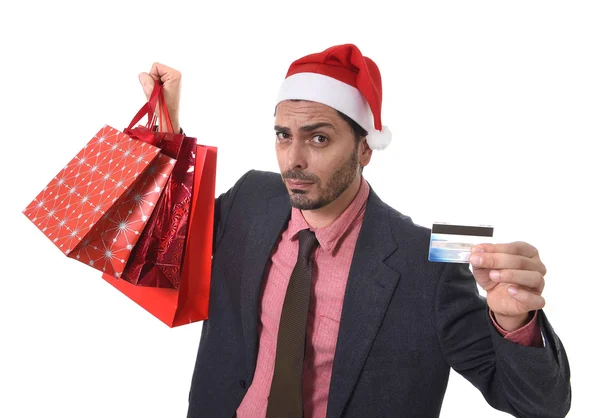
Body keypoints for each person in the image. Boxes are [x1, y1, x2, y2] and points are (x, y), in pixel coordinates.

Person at [138, 44, 571, 418]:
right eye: (283, 135)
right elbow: (167, 244)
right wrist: (165, 125)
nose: (294, 160)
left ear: (365, 148)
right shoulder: (252, 196)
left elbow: (540, 404)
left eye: (319, 138)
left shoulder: (429, 259)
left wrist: (513, 320)